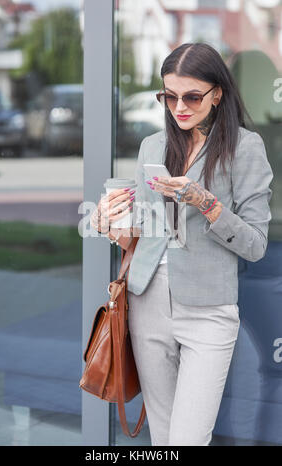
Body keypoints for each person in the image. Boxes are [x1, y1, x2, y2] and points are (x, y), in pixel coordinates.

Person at [90, 42, 273, 446]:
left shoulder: (244, 148)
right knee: (163, 436)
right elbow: (143, 233)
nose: (179, 107)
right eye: (168, 96)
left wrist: (205, 202)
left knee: (188, 439)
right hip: (146, 301)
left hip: (208, 310)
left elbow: (256, 244)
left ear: (217, 93)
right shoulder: (153, 147)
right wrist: (107, 224)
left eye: (192, 96)